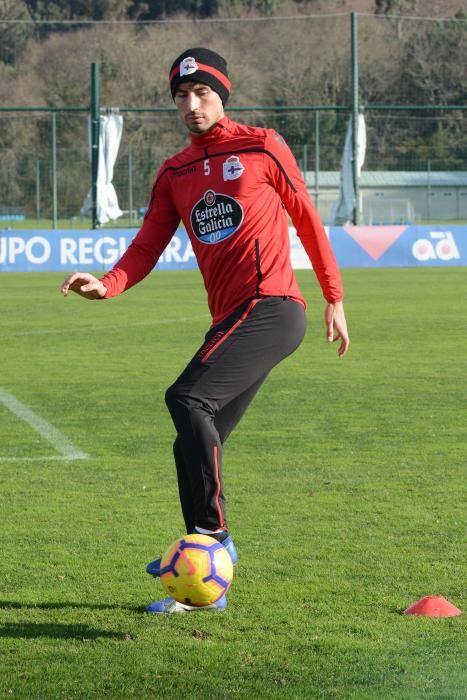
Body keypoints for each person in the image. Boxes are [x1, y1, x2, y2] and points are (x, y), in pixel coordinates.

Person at [60, 47, 350, 614]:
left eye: (202, 94)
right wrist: (110, 284)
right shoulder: (174, 173)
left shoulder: (262, 145)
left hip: (273, 307)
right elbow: (146, 245)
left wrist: (334, 297)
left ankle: (213, 541)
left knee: (187, 397)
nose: (192, 105)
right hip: (233, 319)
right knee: (193, 433)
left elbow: (307, 220)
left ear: (222, 95)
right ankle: (200, 587)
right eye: (181, 97)